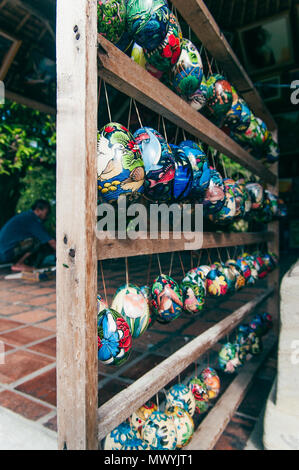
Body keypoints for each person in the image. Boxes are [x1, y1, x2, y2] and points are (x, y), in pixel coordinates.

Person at [0, 199, 56, 272]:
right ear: (38, 210)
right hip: (6, 253)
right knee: (36, 241)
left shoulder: (27, 216)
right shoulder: (32, 220)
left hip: (4, 251)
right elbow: (51, 242)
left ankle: (21, 263)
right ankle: (18, 264)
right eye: (47, 213)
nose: (47, 217)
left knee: (37, 241)